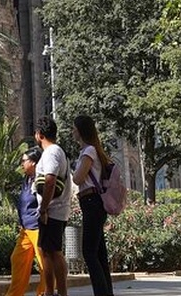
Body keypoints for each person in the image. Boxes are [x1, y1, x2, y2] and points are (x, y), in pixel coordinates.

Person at [71, 114, 114, 296]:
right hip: (92, 203)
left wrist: (73, 171)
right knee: (99, 253)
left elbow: (78, 178)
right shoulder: (93, 150)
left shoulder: (88, 151)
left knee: (89, 252)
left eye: (74, 128)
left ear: (80, 131)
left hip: (91, 202)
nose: (72, 131)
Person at [34, 117, 71, 296]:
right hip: (56, 210)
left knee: (51, 253)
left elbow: (50, 181)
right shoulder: (56, 151)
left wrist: (43, 209)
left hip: (52, 211)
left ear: (40, 135)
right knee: (50, 251)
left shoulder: (51, 153)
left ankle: (53, 292)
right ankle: (57, 292)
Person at [5, 146, 46, 296]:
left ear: (34, 162)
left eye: (24, 161)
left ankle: (44, 293)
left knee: (43, 264)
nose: (22, 164)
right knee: (17, 259)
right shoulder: (27, 179)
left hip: (37, 227)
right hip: (25, 228)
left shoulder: (40, 179)